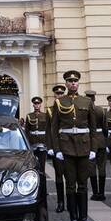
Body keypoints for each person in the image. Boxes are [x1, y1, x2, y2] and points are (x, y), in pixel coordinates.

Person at [48, 70, 101, 221]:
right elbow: (53, 128)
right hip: (66, 148)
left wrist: (93, 148)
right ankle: (73, 220)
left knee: (83, 186)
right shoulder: (59, 102)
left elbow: (93, 128)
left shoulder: (86, 101)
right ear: (66, 84)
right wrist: (56, 149)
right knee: (70, 186)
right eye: (70, 81)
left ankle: (83, 219)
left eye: (75, 81)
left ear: (78, 83)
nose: (72, 83)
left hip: (84, 147)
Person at [47, 84, 68, 213]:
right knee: (59, 176)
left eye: (61, 94)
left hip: (70, 146)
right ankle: (60, 202)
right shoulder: (50, 110)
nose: (59, 96)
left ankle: (72, 203)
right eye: (57, 94)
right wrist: (50, 147)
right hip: (58, 147)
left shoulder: (70, 107)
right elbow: (49, 131)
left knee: (72, 179)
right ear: (54, 96)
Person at [85, 89, 107, 201]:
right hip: (101, 140)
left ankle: (95, 193)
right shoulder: (101, 110)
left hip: (89, 140)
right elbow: (105, 127)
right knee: (102, 167)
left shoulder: (85, 110)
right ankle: (102, 193)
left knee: (92, 168)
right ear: (94, 98)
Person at [22, 96, 49, 174]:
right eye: (35, 104)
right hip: (32, 143)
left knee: (42, 166)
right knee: (33, 165)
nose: (37, 105)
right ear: (33, 105)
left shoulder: (45, 115)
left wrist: (47, 143)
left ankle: (43, 186)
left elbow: (47, 130)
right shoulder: (29, 116)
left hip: (42, 143)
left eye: (38, 104)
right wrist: (27, 144)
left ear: (41, 105)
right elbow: (27, 131)